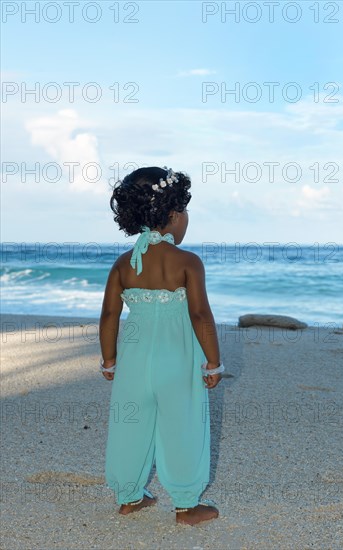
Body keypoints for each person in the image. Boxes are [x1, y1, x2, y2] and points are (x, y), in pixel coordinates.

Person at [99, 166, 224, 526]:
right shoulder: (187, 262)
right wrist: (213, 363)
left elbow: (109, 315)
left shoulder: (124, 264)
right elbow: (200, 314)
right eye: (184, 211)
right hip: (177, 362)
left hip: (134, 363)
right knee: (182, 425)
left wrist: (109, 360)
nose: (186, 219)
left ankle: (129, 497)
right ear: (172, 215)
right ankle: (186, 505)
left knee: (129, 426)